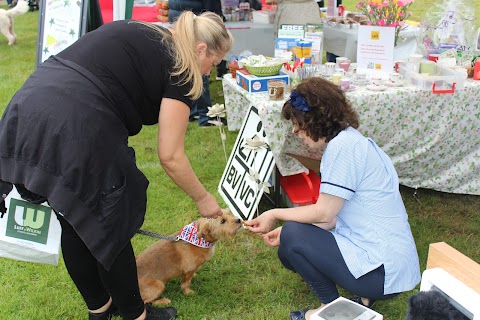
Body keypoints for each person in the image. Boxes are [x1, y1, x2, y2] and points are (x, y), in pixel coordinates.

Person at [0, 11, 232, 320]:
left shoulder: (142, 29)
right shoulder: (182, 68)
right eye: (213, 64)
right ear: (201, 50)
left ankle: (100, 310)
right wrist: (204, 199)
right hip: (77, 124)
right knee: (113, 225)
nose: (208, 72)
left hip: (26, 110)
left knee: (73, 217)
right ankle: (136, 316)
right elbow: (171, 155)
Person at [245, 77, 421, 320]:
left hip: (382, 272)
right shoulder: (353, 141)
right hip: (393, 267)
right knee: (290, 242)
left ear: (316, 119)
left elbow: (324, 213)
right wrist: (294, 233)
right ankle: (360, 302)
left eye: (298, 123)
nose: (295, 131)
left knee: (294, 234)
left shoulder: (342, 148)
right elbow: (333, 217)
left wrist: (275, 214)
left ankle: (336, 311)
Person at [168, 0, 226, 126]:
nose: (210, 71)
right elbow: (212, 8)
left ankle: (193, 111)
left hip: (182, 21)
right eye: (213, 64)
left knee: (188, 72)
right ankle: (205, 115)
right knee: (198, 74)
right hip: (196, 26)